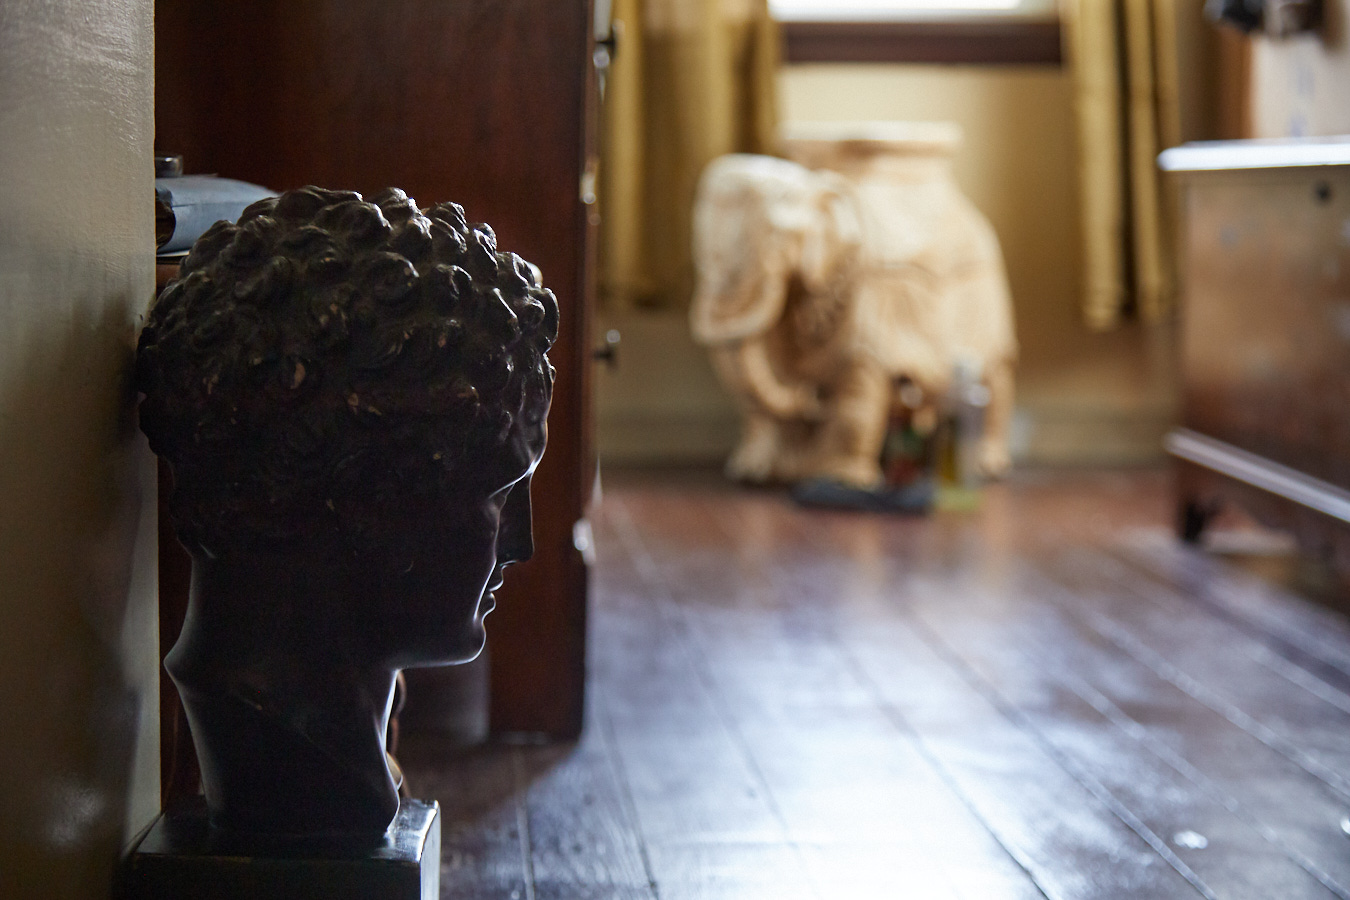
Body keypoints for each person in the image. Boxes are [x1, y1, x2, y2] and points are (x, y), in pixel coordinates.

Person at [136, 186, 556, 839]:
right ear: (358, 502)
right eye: (499, 495)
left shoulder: (315, 707)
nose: (522, 545)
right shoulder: (277, 746)